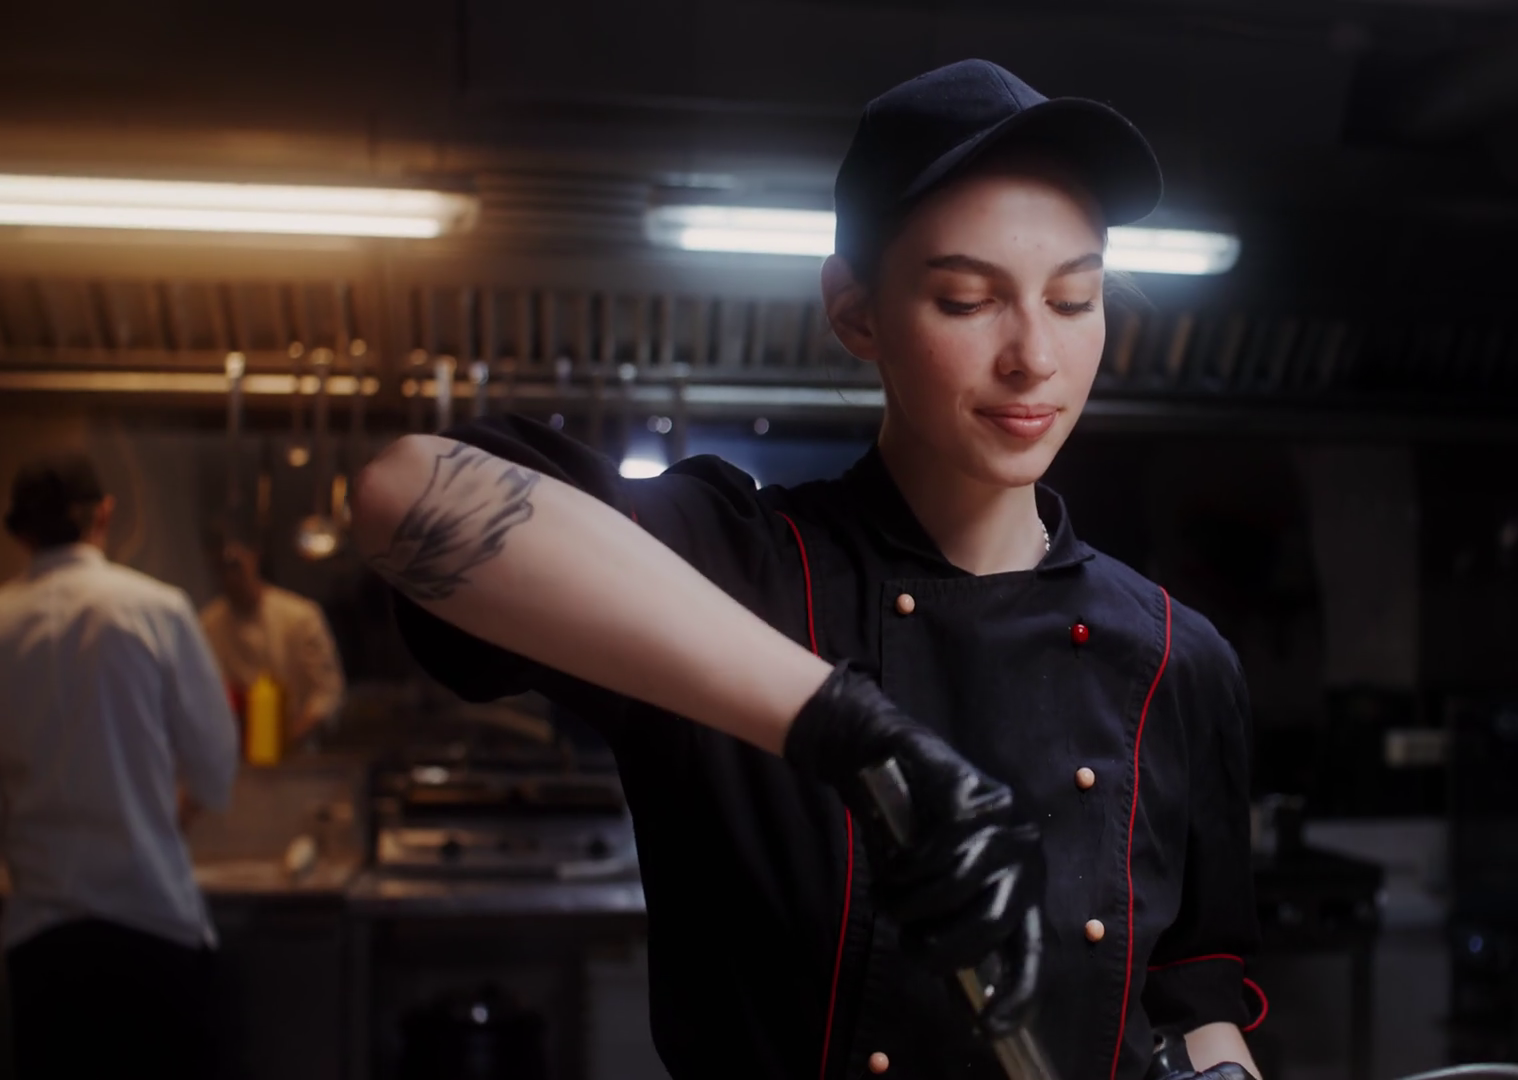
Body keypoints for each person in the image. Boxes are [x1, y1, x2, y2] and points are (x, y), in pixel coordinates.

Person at [353, 59, 1259, 1080]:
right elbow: (401, 492)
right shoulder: (736, 577)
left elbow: (1193, 998)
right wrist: (854, 733)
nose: (1033, 357)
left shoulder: (1178, 661)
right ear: (856, 313)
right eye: (967, 300)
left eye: (1074, 298)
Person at [0, 453, 237, 1080]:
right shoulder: (154, 609)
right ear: (104, 514)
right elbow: (216, 764)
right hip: (152, 927)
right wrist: (164, 819)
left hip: (40, 945)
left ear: (20, 533)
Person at [199, 526, 345, 749]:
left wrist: (292, 735)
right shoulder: (208, 624)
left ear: (254, 557)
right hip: (236, 751)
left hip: (297, 751)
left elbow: (328, 691)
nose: (229, 577)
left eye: (234, 565)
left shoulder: (300, 616)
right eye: (220, 568)